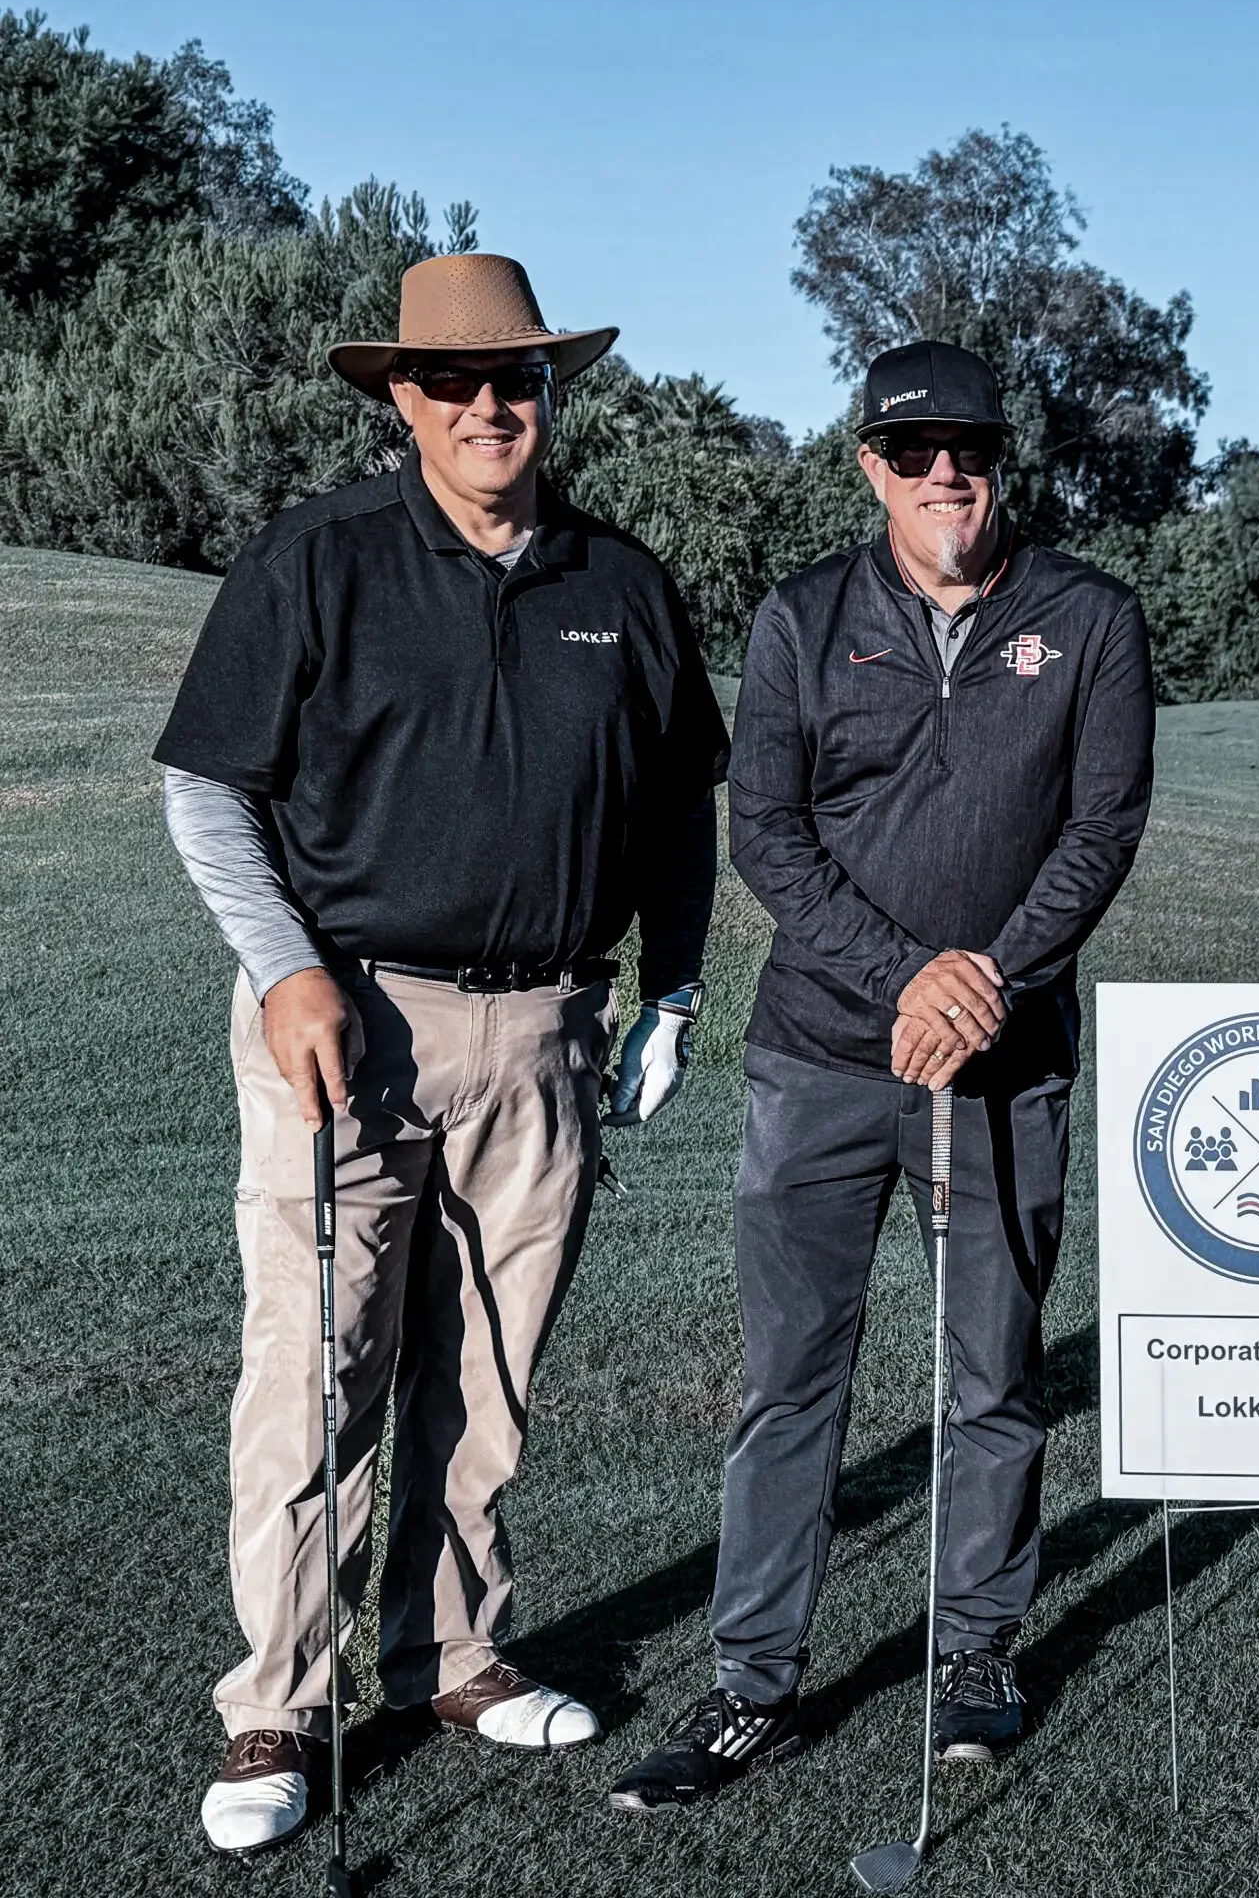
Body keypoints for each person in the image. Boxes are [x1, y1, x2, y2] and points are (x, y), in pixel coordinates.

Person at [158, 253, 730, 1853]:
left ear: (552, 395)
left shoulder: (624, 584)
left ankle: (453, 1658)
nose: (491, 406)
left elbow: (680, 806)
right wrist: (282, 972)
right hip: (346, 1021)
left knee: (487, 1370)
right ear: (402, 398)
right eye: (455, 383)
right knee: (317, 1369)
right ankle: (277, 1699)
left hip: (549, 1025)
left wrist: (674, 993)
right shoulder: (319, 558)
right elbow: (208, 790)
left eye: (519, 381)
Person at [607, 340, 1155, 1813]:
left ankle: (977, 1649)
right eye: (911, 452)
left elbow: (1100, 833)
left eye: (966, 444)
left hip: (1007, 1059)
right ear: (870, 468)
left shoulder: (1090, 618)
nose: (944, 472)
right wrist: (905, 974)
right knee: (794, 1383)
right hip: (819, 1056)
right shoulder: (802, 618)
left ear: (1000, 454)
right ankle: (751, 1684)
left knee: (994, 1375)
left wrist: (983, 987)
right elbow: (769, 834)